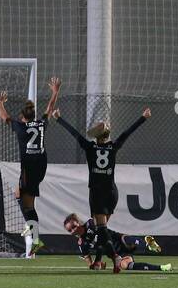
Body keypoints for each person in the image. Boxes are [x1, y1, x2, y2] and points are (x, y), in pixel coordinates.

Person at [53, 105, 151, 273]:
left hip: (97, 192)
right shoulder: (113, 146)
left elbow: (75, 134)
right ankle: (101, 260)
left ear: (96, 136)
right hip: (112, 192)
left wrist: (59, 119)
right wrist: (143, 118)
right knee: (101, 230)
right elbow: (127, 133)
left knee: (102, 230)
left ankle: (114, 259)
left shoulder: (90, 147)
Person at [0, 77, 61, 258]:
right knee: (23, 198)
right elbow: (49, 109)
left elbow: (5, 117)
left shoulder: (20, 126)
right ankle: (32, 233)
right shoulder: (40, 124)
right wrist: (55, 92)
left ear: (23, 117)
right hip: (41, 166)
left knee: (26, 204)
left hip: (29, 167)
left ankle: (34, 237)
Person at [62, 214, 169, 271]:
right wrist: (96, 265)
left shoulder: (91, 224)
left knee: (126, 240)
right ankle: (161, 268)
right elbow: (89, 262)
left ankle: (148, 244)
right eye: (70, 230)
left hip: (119, 240)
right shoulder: (81, 243)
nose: (73, 230)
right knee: (125, 265)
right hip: (118, 253)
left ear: (79, 222)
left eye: (74, 226)